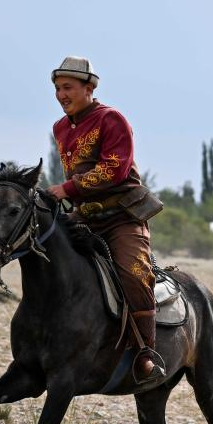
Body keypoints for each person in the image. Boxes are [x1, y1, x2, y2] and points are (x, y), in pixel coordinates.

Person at [46, 56, 163, 379]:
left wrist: (67, 189)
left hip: (121, 218)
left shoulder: (112, 119)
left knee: (134, 273)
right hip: (84, 217)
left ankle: (146, 353)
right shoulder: (60, 128)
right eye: (57, 89)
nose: (61, 95)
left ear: (89, 88)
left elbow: (114, 170)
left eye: (68, 87)